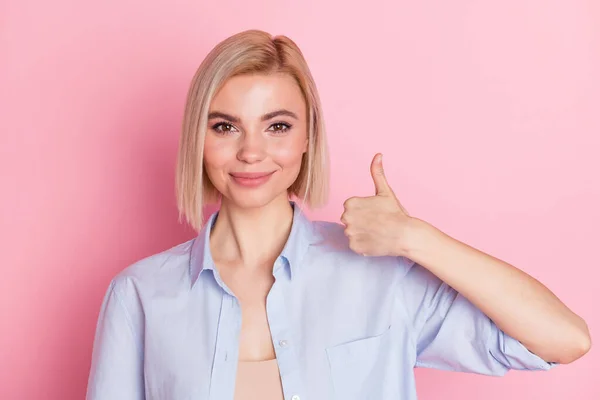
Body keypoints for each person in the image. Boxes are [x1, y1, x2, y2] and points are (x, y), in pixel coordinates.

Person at [85, 29, 591, 400]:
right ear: (198, 140)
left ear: (308, 138)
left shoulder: (383, 279)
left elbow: (563, 339)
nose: (251, 152)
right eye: (225, 127)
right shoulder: (140, 295)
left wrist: (417, 239)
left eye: (277, 126)